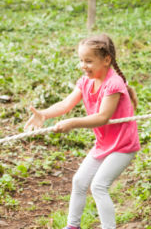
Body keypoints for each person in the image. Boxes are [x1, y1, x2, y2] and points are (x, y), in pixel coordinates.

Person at [24, 34, 140, 229]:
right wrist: (43, 115)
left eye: (88, 61)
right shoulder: (86, 81)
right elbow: (66, 103)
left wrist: (72, 123)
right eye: (81, 60)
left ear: (106, 60)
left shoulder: (113, 83)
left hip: (123, 145)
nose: (83, 65)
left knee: (98, 186)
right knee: (79, 181)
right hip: (104, 144)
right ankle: (72, 226)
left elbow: (102, 117)